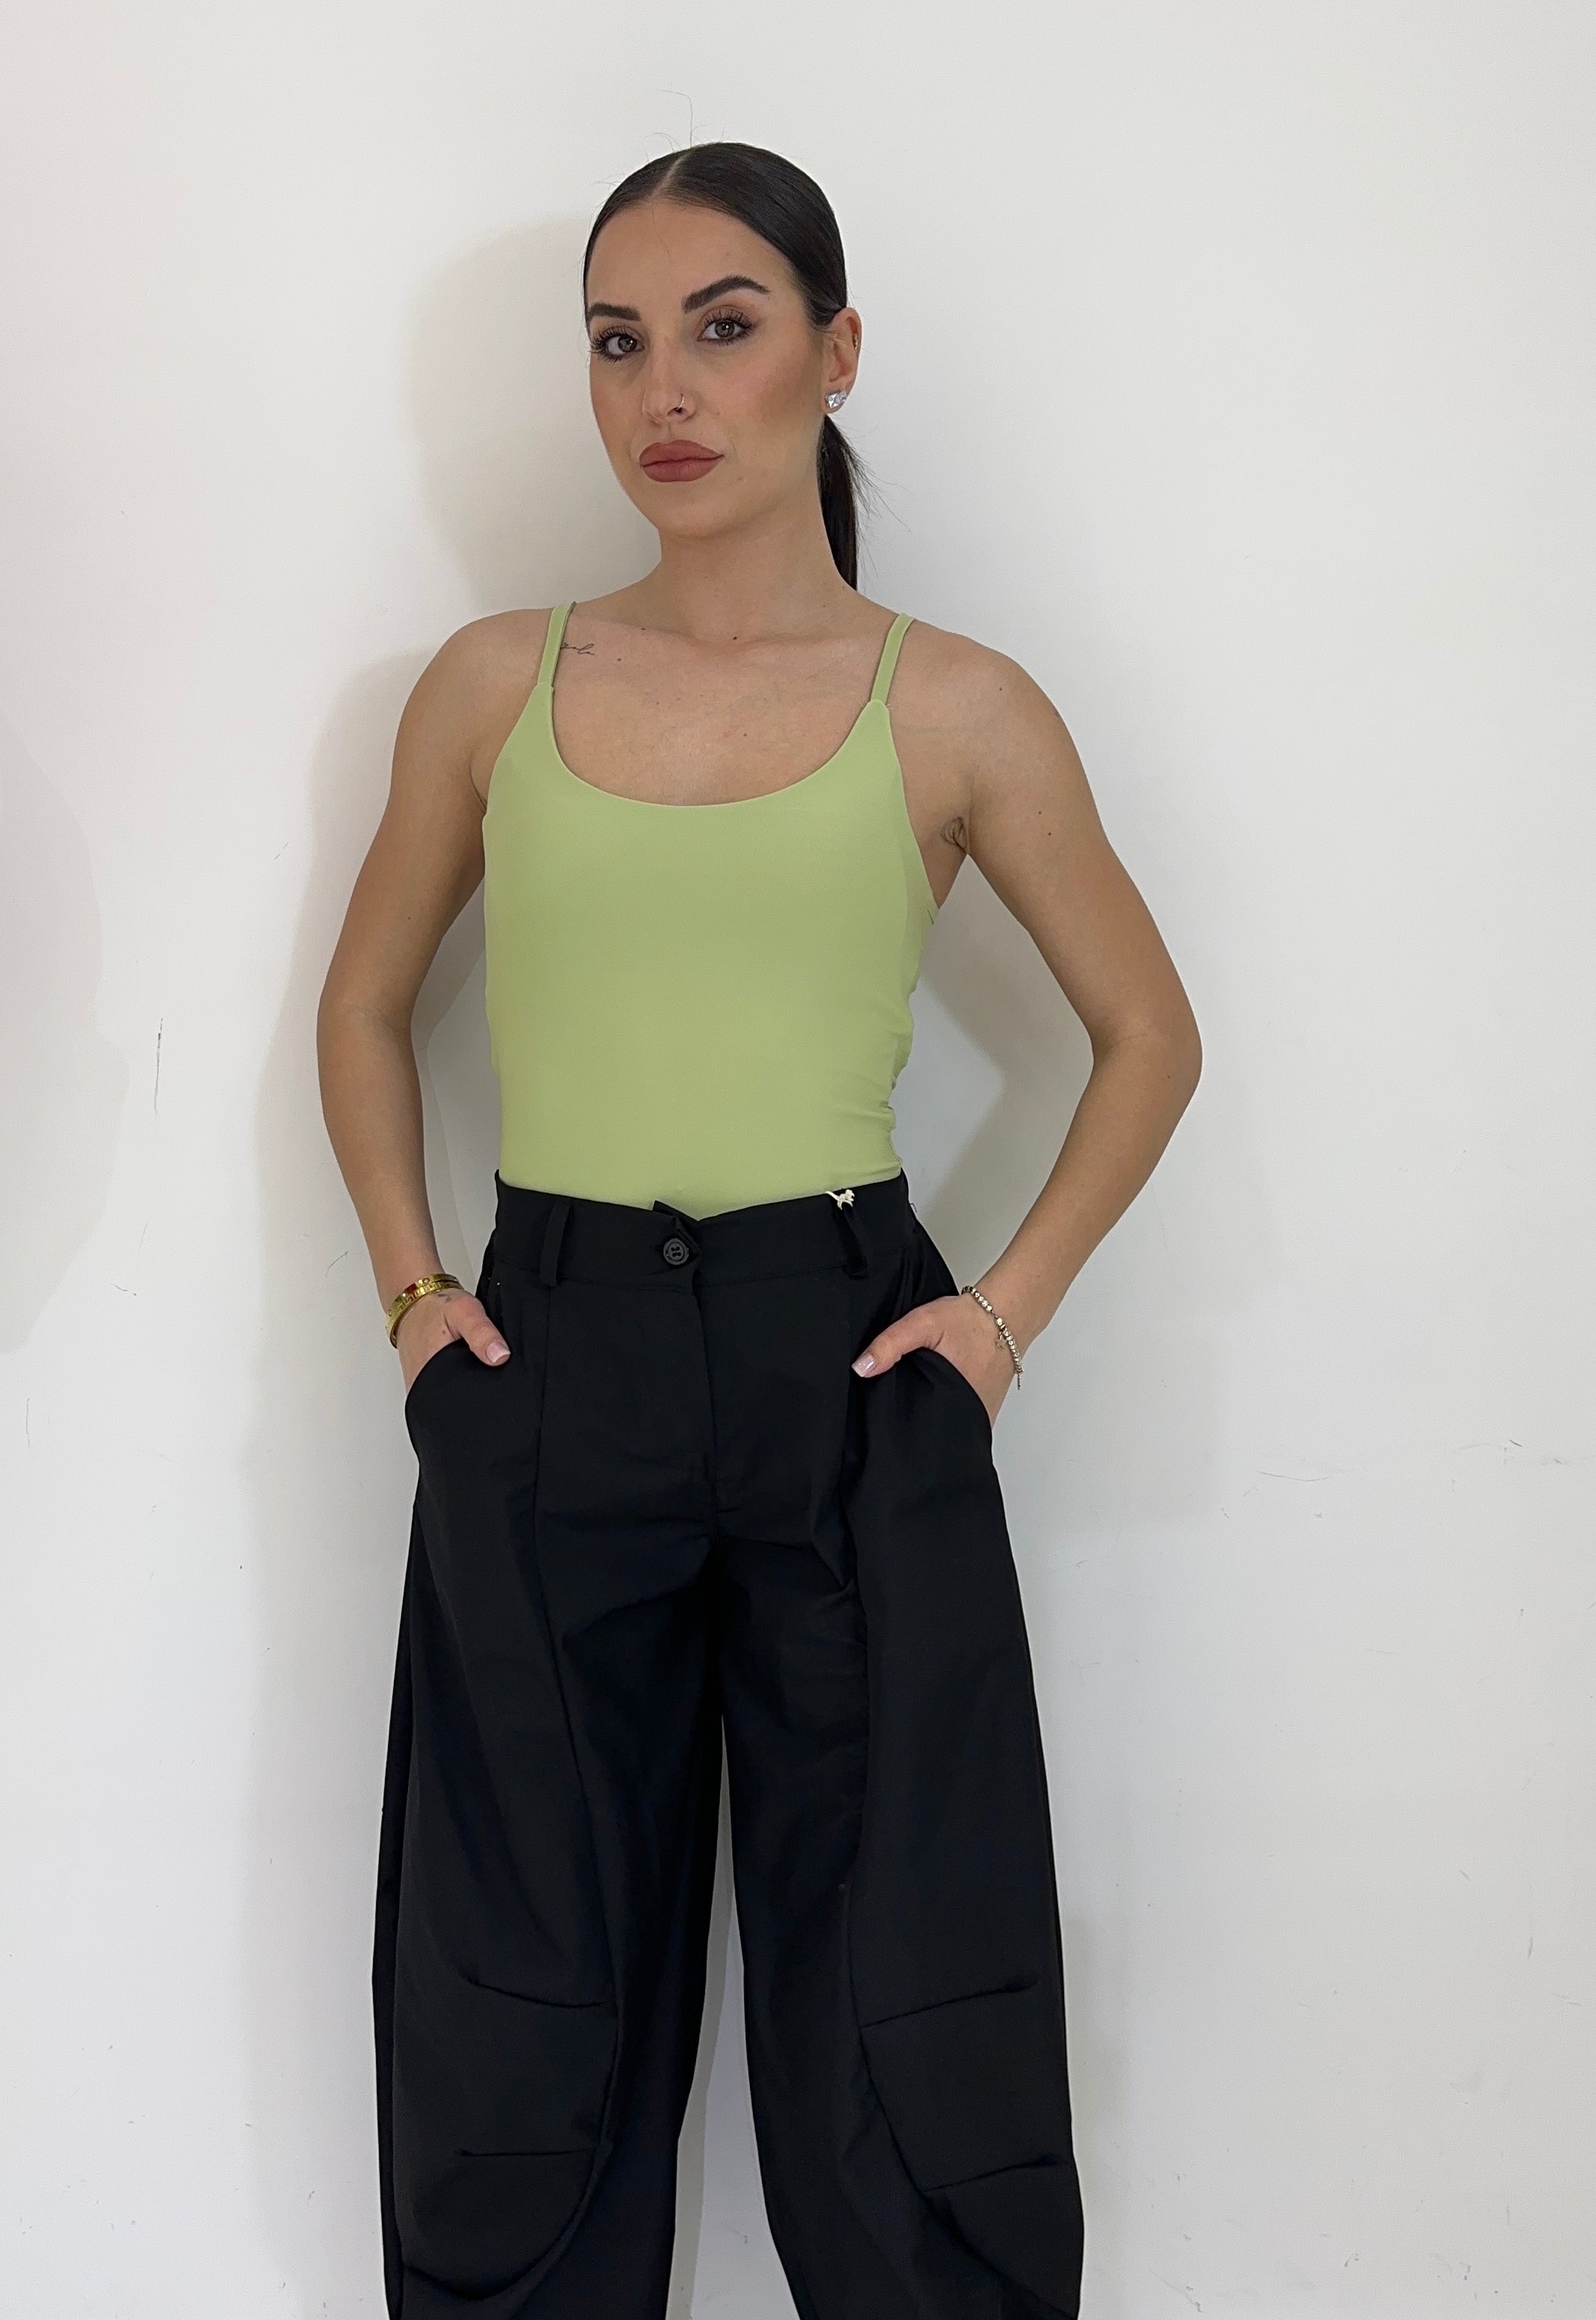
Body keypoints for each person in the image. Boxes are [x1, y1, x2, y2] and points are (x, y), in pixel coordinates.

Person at [316, 142, 1201, 2320]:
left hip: (849, 1367)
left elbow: (1150, 1037)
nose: (667, 392)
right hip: (551, 1360)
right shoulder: (492, 685)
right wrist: (416, 1294)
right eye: (618, 342)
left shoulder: (956, 704)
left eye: (723, 327)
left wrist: (995, 1323)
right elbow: (361, 1007)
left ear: (835, 348)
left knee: (902, 1977)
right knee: (520, 1980)